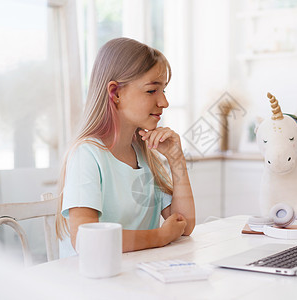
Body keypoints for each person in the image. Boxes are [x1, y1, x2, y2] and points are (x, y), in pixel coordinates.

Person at [56, 37, 195, 257]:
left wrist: (177, 161)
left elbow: (183, 226)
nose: (164, 103)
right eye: (151, 91)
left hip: (133, 275)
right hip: (91, 284)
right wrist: (160, 236)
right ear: (116, 93)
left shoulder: (144, 154)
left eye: (164, 91)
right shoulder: (87, 155)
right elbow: (87, 241)